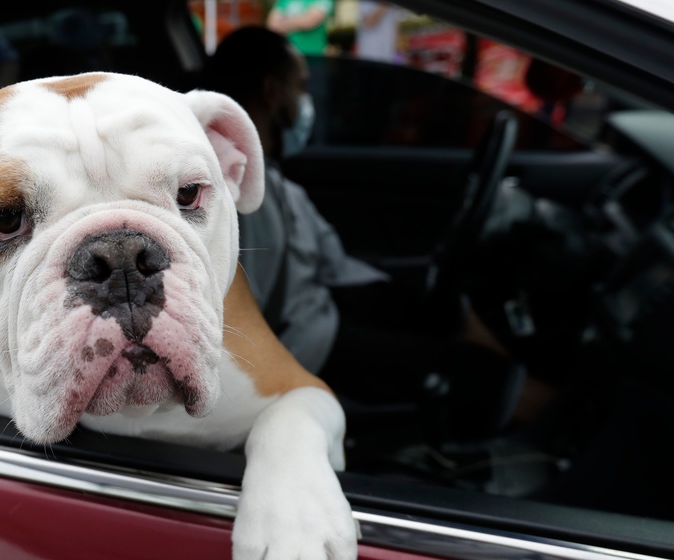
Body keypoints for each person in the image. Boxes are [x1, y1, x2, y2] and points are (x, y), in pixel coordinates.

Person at [201, 27, 532, 424]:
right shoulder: (228, 194)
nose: (307, 103)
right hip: (302, 347)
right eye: (300, 87)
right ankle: (547, 421)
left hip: (320, 309)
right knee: (476, 375)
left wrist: (412, 292)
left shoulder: (276, 183)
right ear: (273, 92)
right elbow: (243, 325)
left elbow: (331, 263)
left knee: (443, 310)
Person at [266, 0, 334, 147]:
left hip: (313, 65)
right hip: (287, 67)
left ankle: (317, 150)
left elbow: (311, 22)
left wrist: (285, 22)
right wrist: (299, 21)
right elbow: (272, 25)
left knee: (317, 113)